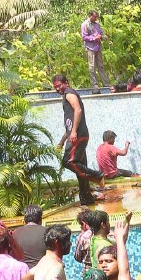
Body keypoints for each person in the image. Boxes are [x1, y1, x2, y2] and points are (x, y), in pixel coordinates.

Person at [53, 74, 103, 206]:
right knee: (80, 167)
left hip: (78, 135)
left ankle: (97, 176)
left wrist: (74, 131)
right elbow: (69, 126)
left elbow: (78, 110)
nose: (58, 89)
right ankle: (86, 198)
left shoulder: (69, 93)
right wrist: (62, 141)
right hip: (76, 134)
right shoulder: (66, 95)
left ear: (66, 83)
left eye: (59, 85)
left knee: (69, 161)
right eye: (55, 87)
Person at [81, 10, 106, 89]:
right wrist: (94, 38)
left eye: (96, 17)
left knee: (101, 66)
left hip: (98, 47)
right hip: (90, 48)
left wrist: (102, 36)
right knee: (92, 67)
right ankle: (95, 84)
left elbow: (101, 33)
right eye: (94, 17)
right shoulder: (85, 25)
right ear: (90, 16)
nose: (96, 18)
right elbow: (84, 37)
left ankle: (106, 83)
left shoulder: (97, 24)